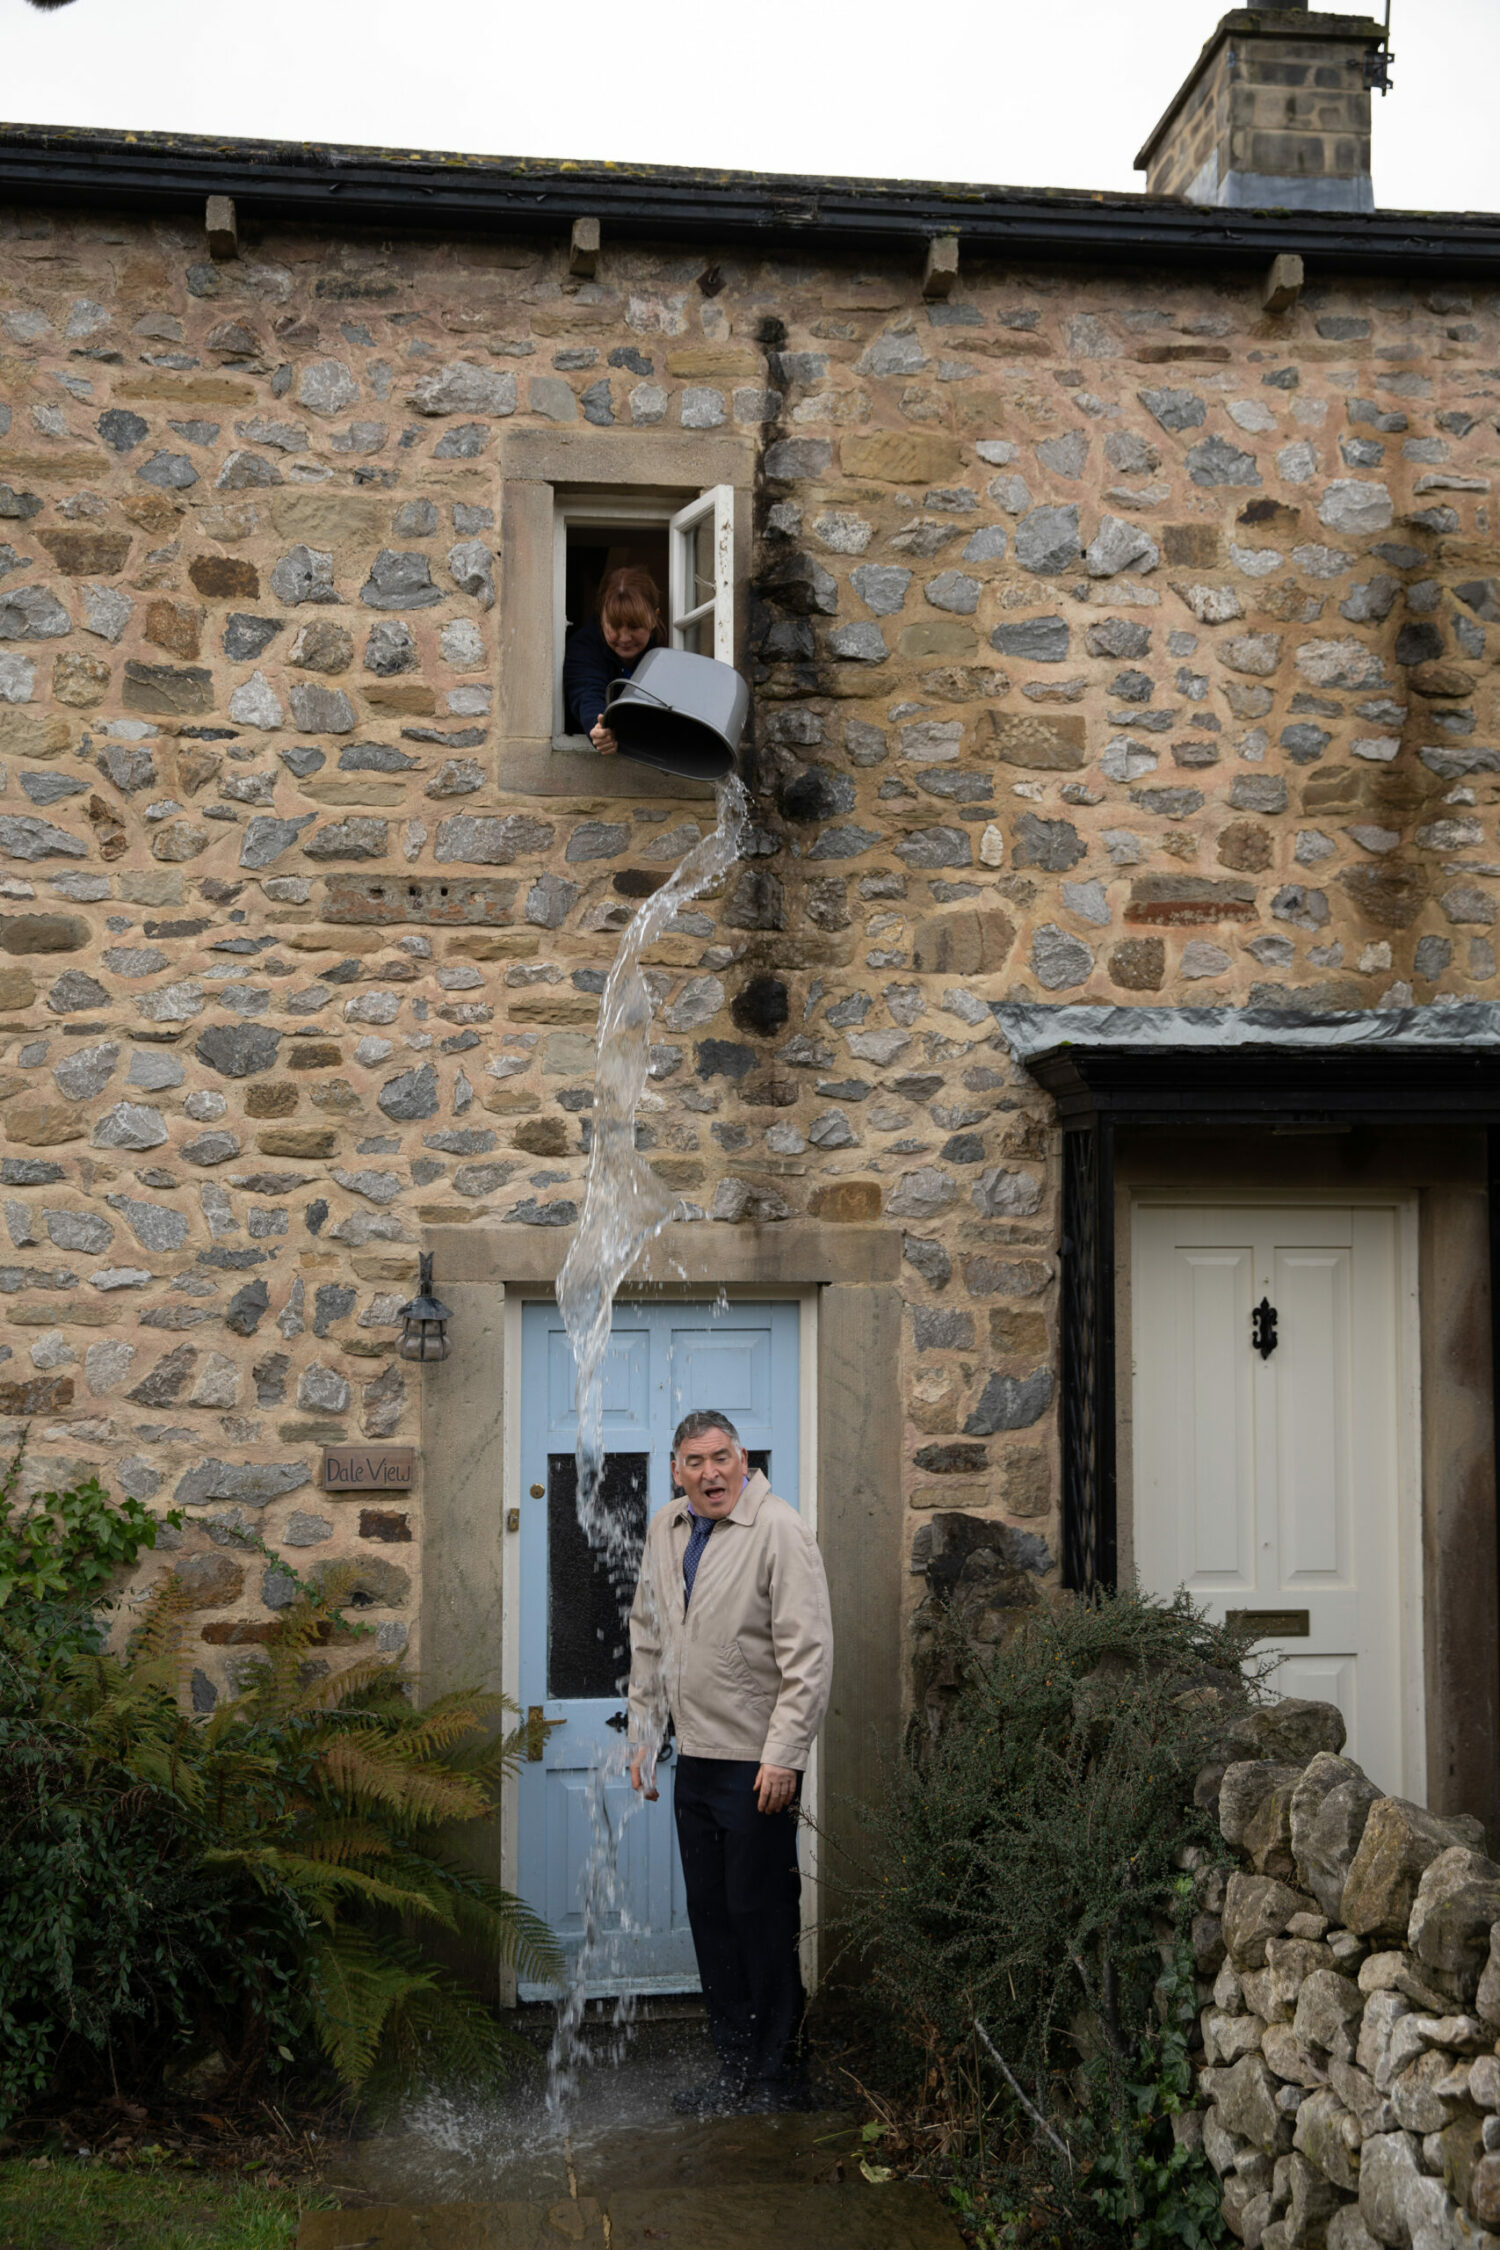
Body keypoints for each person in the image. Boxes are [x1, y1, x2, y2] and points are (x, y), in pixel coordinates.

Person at [626, 1410, 833, 2117]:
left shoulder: (779, 1529)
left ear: (743, 1461)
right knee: (712, 1918)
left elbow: (808, 1656)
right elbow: (649, 1633)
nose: (710, 1473)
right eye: (695, 1461)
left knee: (761, 1917)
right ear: (676, 1470)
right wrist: (643, 1732)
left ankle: (778, 2076)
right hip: (696, 1759)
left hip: (755, 1764)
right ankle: (735, 2068)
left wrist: (784, 1756)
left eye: (721, 1458)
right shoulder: (667, 1527)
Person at [562, 564, 665, 753]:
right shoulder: (583, 647)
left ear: (654, 618)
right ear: (601, 619)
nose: (624, 638)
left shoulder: (665, 651)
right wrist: (599, 728)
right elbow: (587, 693)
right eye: (615, 626)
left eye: (634, 626)